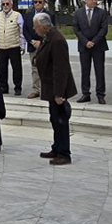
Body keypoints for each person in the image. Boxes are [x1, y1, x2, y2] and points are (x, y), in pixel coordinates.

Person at [34, 12, 77, 166]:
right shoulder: (48, 37)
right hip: (50, 86)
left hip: (57, 88)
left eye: (36, 26)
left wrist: (59, 93)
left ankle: (64, 153)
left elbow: (61, 68)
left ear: (44, 26)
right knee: (54, 119)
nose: (35, 29)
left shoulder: (57, 39)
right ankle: (57, 147)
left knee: (60, 120)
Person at [72, 0, 109, 103]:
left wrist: (94, 41)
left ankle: (100, 94)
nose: (94, 1)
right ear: (86, 0)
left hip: (98, 46)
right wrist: (85, 42)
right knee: (85, 70)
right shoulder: (78, 13)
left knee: (99, 71)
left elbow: (104, 29)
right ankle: (85, 93)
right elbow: (76, 29)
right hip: (84, 47)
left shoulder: (101, 12)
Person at [0, 0, 26, 96]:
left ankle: (18, 87)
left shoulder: (17, 15)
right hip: (1, 47)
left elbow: (22, 31)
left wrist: (23, 45)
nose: (5, 6)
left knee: (17, 69)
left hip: (14, 46)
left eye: (7, 4)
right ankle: (3, 87)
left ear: (11, 5)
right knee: (2, 68)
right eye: (3, 4)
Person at [25, 0, 47, 98]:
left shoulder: (49, 15)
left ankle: (45, 89)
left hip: (45, 46)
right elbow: (25, 30)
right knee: (34, 68)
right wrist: (31, 41)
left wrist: (41, 42)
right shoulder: (28, 15)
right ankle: (36, 89)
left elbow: (51, 30)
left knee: (45, 68)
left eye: (39, 2)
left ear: (43, 3)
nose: (37, 4)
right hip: (32, 45)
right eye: (35, 2)